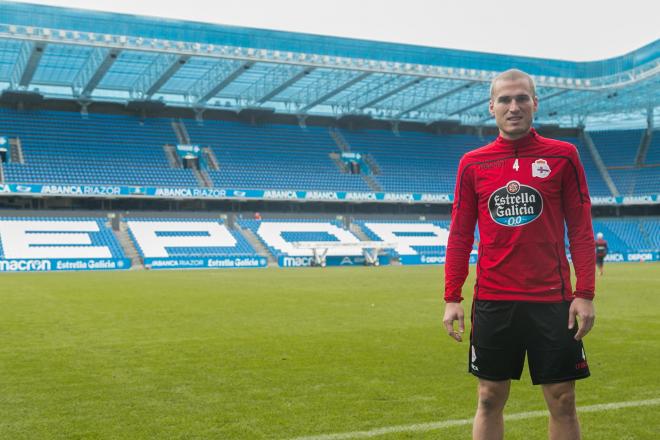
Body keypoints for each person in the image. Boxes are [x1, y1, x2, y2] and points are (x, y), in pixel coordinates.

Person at [443, 69, 596, 440]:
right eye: (506, 100)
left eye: (522, 98)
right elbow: (461, 233)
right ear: (491, 106)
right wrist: (452, 297)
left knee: (562, 399)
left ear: (535, 103)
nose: (514, 107)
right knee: (489, 397)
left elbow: (580, 227)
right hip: (494, 301)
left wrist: (585, 293)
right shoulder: (472, 163)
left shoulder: (564, 156)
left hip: (552, 300)